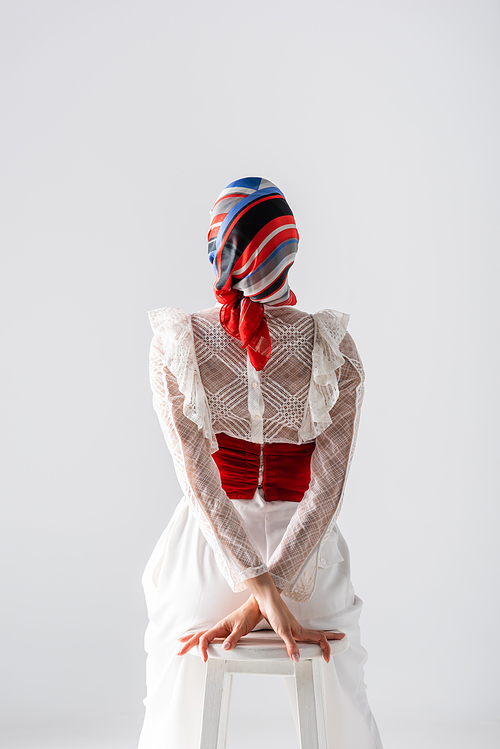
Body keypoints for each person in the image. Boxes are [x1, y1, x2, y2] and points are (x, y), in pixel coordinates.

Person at [138, 177, 384, 749]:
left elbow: (200, 484)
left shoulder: (176, 342)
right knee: (340, 671)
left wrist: (255, 592)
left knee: (173, 661)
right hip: (309, 562)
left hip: (207, 558)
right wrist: (274, 589)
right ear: (289, 251)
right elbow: (327, 490)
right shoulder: (335, 345)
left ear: (216, 249)